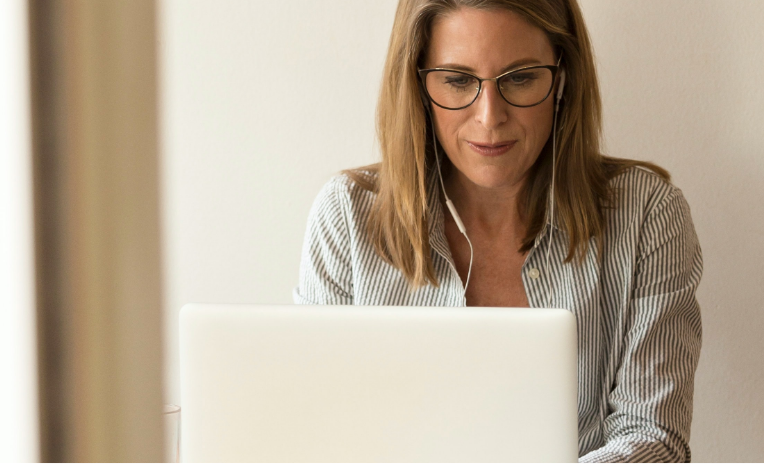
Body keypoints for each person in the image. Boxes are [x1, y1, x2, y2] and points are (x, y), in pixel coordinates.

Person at [293, 0, 703, 462]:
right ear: (417, 84)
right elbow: (319, 429)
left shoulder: (646, 215)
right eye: (458, 80)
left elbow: (654, 439)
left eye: (521, 78)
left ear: (562, 77)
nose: (490, 117)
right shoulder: (347, 216)